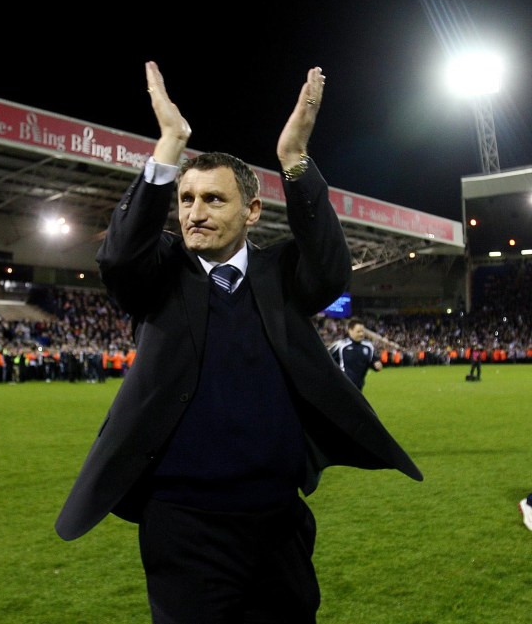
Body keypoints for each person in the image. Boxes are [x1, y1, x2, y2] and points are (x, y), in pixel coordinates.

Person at [54, 61, 423, 623]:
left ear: (252, 211)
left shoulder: (281, 275)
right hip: (183, 524)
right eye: (186, 200)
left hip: (278, 519)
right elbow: (118, 258)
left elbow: (330, 269)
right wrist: (169, 147)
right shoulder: (159, 277)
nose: (195, 214)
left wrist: (295, 161)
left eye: (213, 200)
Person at [327, 318, 383, 391]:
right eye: (358, 331)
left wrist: (377, 365)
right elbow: (325, 359)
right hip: (341, 388)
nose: (361, 334)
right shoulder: (340, 345)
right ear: (350, 331)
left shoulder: (368, 346)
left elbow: (373, 362)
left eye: (363, 331)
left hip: (358, 388)